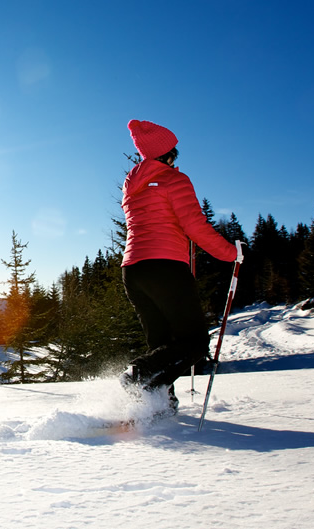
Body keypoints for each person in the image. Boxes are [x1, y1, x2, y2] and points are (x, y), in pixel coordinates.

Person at [118, 119, 240, 413]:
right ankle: (137, 374)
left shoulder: (132, 183)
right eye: (175, 151)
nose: (176, 157)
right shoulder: (175, 180)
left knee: (161, 343)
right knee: (195, 343)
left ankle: (159, 406)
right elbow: (194, 225)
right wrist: (231, 254)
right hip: (166, 267)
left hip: (133, 270)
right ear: (167, 153)